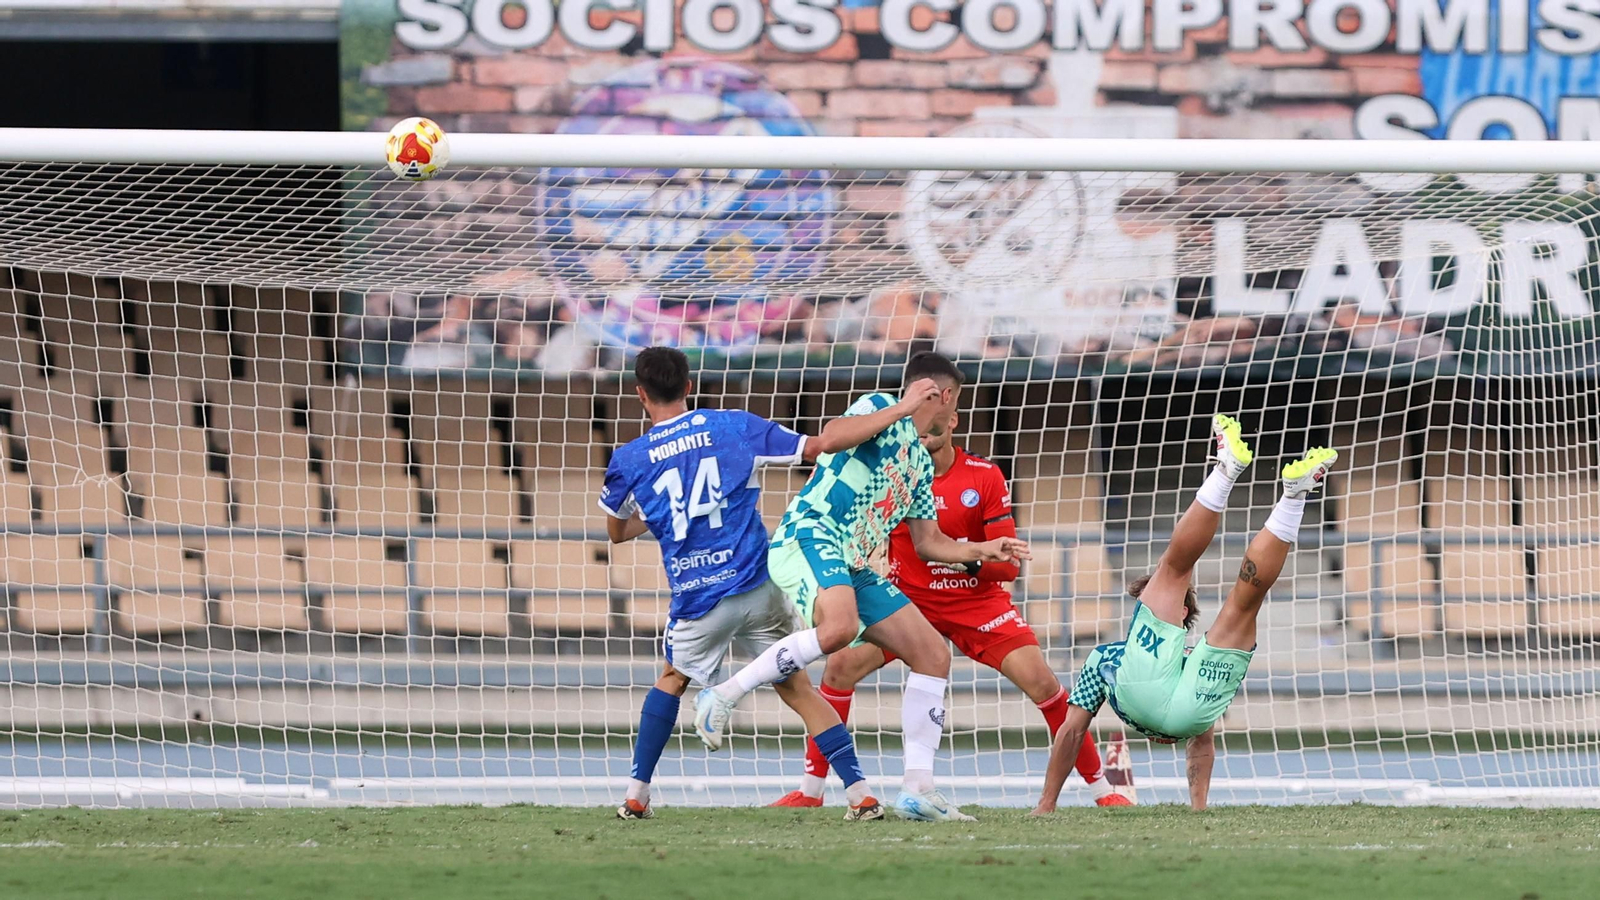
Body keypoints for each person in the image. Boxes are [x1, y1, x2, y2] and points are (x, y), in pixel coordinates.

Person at [600, 346, 945, 822]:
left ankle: (636, 798)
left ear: (640, 394)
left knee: (672, 679)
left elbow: (617, 532)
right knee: (799, 687)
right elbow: (814, 447)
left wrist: (666, 514)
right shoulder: (733, 426)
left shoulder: (631, 459)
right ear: (689, 387)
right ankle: (861, 794)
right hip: (757, 582)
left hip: (697, 598)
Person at [691, 352, 1031, 822]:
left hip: (851, 563)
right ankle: (723, 694)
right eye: (952, 400)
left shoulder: (919, 463)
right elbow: (829, 439)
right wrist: (901, 407)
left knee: (932, 654)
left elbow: (929, 542)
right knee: (839, 629)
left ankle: (918, 789)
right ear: (945, 396)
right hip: (810, 534)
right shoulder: (877, 406)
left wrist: (983, 550)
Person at [767, 404, 1133, 809]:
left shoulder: (984, 475)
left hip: (975, 603)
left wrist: (967, 558)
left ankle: (1103, 791)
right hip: (910, 599)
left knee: (1044, 683)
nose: (922, 431)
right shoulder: (896, 472)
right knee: (839, 667)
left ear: (951, 419)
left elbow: (1007, 567)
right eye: (915, 423)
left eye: (931, 421)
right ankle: (811, 790)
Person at [1031, 415, 1338, 814]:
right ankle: (1295, 496)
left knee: (1174, 566)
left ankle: (1226, 471)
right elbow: (1201, 741)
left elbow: (1072, 730)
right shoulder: (1189, 660)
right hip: (1190, 714)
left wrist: (1046, 803)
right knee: (1248, 599)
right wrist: (1198, 809)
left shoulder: (1106, 658)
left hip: (1145, 694)